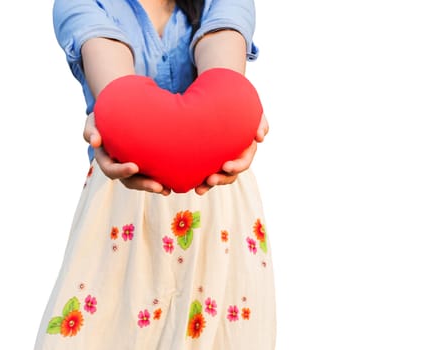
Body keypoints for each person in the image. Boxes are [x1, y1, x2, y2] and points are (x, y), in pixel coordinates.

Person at [33, 0, 276, 349]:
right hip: (121, 213)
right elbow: (115, 79)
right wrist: (117, 117)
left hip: (219, 211)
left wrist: (238, 108)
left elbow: (223, 59)